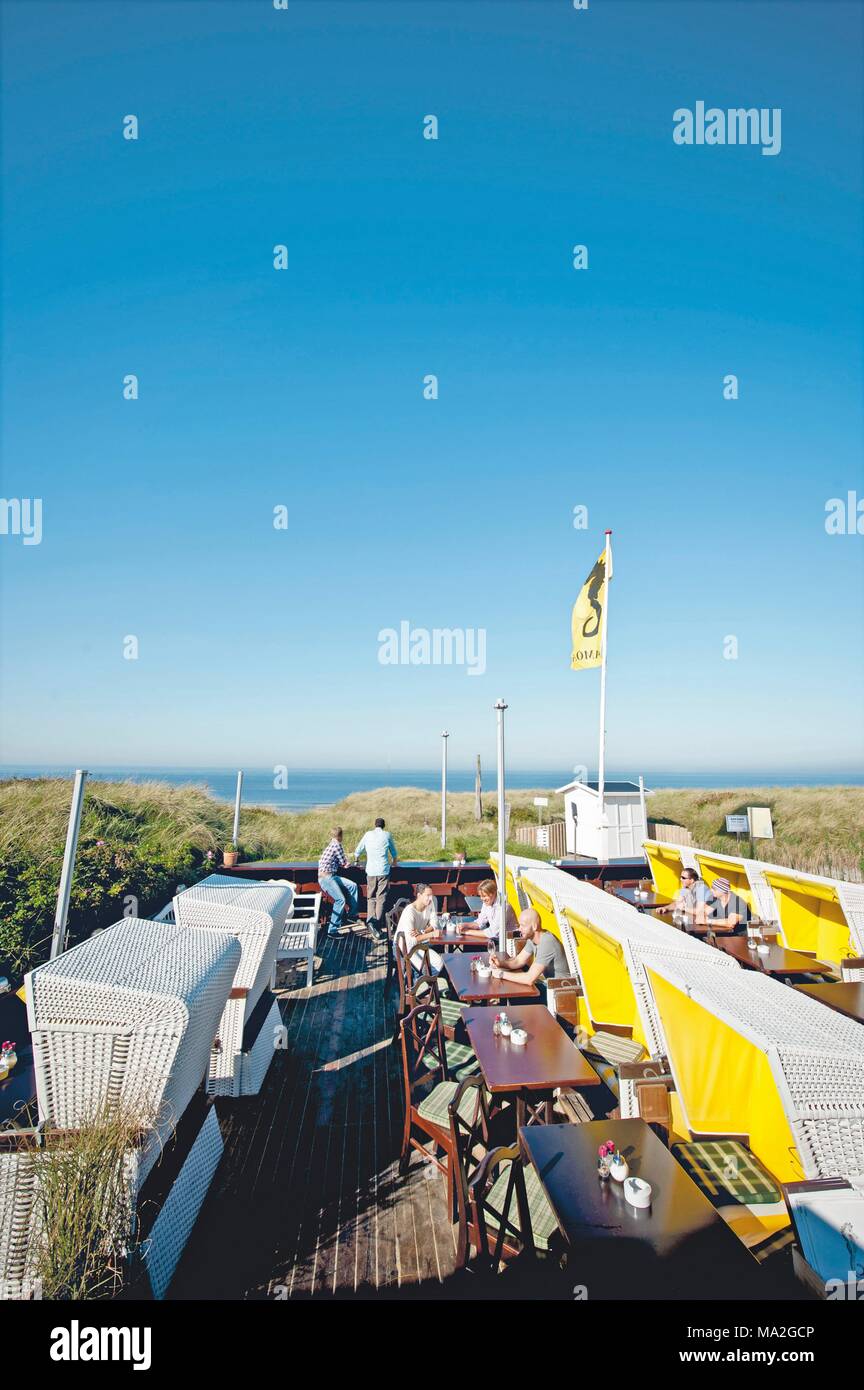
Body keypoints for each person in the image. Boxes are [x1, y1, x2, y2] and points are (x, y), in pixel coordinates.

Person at [488, 907, 568, 991]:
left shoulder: (547, 942)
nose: (519, 929)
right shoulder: (532, 938)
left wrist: (501, 974)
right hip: (550, 987)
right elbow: (518, 961)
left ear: (534, 926)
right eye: (519, 925)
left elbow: (529, 979)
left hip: (561, 992)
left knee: (510, 991)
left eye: (522, 925)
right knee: (509, 989)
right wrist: (500, 963)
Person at [354, 817, 398, 941]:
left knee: (371, 897)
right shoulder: (387, 835)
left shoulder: (368, 835)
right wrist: (394, 862)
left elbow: (358, 850)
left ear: (375, 825)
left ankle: (370, 921)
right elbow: (393, 852)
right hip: (383, 870)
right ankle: (377, 925)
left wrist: (356, 859)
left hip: (371, 870)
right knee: (381, 897)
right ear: (383, 826)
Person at [317, 827, 359, 938]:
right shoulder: (337, 845)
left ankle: (352, 915)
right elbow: (344, 863)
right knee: (340, 900)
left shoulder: (331, 844)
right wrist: (347, 863)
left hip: (331, 876)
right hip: (326, 878)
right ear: (340, 836)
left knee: (352, 886)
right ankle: (332, 930)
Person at [394, 883, 442, 974]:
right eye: (428, 895)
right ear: (419, 895)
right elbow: (411, 941)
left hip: (418, 944)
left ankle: (430, 984)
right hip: (402, 947)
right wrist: (431, 934)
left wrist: (422, 932)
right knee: (423, 967)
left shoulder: (430, 904)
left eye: (431, 895)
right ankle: (417, 985)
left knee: (439, 962)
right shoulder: (410, 912)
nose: (431, 898)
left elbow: (435, 925)